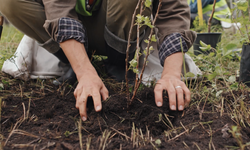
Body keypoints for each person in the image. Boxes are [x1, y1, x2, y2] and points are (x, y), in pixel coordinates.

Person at [0, 0, 197, 121]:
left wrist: (171, 74)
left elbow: (172, 10)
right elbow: (58, 7)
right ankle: (74, 62)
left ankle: (119, 62)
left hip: (122, 27)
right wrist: (84, 72)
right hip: (69, 26)